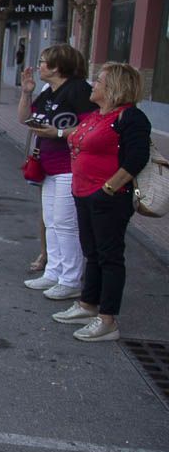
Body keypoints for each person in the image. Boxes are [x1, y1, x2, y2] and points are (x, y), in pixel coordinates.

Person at [52, 62, 151, 342]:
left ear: (115, 87)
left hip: (108, 198)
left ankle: (107, 320)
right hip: (84, 194)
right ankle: (88, 304)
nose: (93, 84)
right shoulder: (98, 114)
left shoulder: (131, 118)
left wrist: (107, 189)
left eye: (100, 81)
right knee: (91, 253)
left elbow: (136, 159)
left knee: (109, 256)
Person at [19, 44, 96, 302]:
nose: (38, 66)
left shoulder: (78, 90)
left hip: (68, 167)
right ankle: (54, 272)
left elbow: (91, 126)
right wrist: (26, 93)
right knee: (51, 221)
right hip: (48, 166)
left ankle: (71, 279)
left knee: (65, 224)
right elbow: (24, 118)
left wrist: (59, 133)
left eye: (43, 62)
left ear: (57, 66)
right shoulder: (48, 91)